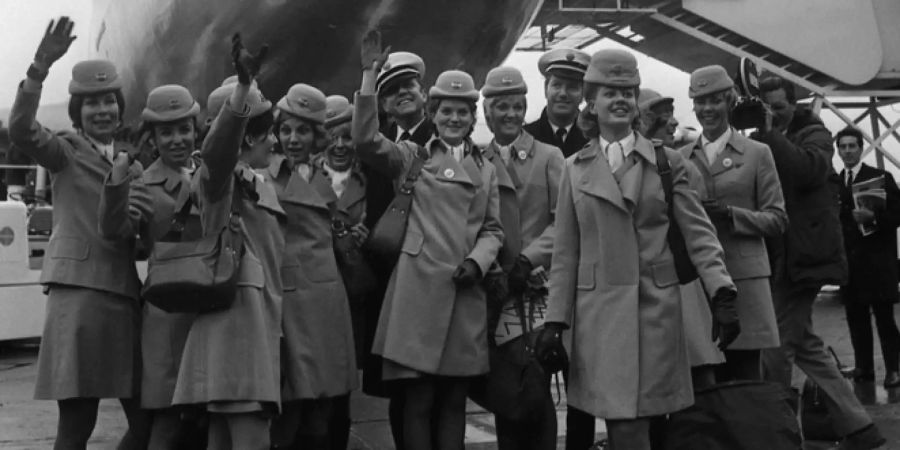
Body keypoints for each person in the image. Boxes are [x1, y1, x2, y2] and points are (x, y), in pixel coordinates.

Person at [536, 48, 738, 450]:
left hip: (655, 311)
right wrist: (554, 321)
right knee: (625, 426)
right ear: (591, 103)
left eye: (628, 91)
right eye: (610, 92)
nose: (621, 100)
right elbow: (565, 253)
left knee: (642, 425)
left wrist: (722, 291)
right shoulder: (573, 169)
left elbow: (698, 234)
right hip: (598, 318)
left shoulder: (668, 163)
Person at [355, 31, 503, 450]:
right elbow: (365, 140)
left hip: (464, 291)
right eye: (447, 111)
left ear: (471, 117)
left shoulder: (485, 167)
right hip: (416, 293)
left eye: (462, 112)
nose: (454, 119)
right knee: (417, 401)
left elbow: (493, 229)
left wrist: (478, 261)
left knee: (454, 401)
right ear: (433, 113)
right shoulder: (411, 157)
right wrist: (369, 74)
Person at [8, 16, 151, 449]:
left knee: (148, 423)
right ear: (77, 112)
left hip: (124, 297)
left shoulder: (136, 166)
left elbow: (140, 235)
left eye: (109, 100)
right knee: (78, 421)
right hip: (79, 296)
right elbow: (20, 129)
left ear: (120, 107)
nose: (102, 110)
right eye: (91, 103)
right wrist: (40, 65)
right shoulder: (65, 151)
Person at [756, 75, 886, 449]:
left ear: (793, 105)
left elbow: (803, 170)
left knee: (777, 347)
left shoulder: (815, 134)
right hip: (790, 255)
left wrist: (769, 132)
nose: (774, 115)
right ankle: (860, 428)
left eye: (779, 108)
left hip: (804, 258)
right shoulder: (772, 137)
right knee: (807, 346)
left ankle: (777, 432)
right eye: (769, 108)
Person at [170, 35, 286, 449]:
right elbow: (218, 152)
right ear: (250, 138)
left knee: (222, 441)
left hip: (253, 332)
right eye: (269, 133)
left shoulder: (260, 184)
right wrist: (242, 90)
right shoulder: (218, 181)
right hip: (238, 335)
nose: (275, 142)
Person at [100, 84, 207, 449]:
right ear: (153, 137)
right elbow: (117, 233)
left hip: (211, 308)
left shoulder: (211, 173)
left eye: (184, 129)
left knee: (208, 418)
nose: (177, 139)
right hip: (167, 316)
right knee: (167, 420)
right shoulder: (143, 185)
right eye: (166, 132)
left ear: (196, 129)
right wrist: (118, 178)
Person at [681, 66, 788, 381]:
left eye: (715, 101)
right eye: (700, 102)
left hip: (745, 282)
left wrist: (731, 215)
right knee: (704, 384)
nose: (707, 109)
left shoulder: (758, 154)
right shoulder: (680, 158)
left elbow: (778, 219)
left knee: (745, 383)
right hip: (701, 282)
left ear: (730, 102)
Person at [265, 83, 358, 449]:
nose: (292, 138)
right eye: (285, 129)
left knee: (322, 410)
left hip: (326, 301)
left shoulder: (327, 175)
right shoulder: (265, 176)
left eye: (302, 129)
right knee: (289, 411)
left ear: (317, 134)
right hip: (288, 300)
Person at [479, 66, 565, 450]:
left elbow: (563, 221)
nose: (511, 115)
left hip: (537, 289)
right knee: (504, 388)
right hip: (495, 291)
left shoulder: (549, 156)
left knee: (536, 382)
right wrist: (494, 268)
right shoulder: (478, 160)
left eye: (517, 106)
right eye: (502, 108)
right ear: (487, 114)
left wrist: (529, 260)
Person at [364, 50, 436, 449]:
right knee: (398, 391)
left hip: (427, 280)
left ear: (423, 92)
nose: (402, 94)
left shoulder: (441, 140)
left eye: (408, 86)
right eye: (391, 91)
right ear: (384, 106)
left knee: (433, 391)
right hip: (387, 281)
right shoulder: (380, 149)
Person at [835, 126, 900, 388]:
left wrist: (874, 217)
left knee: (884, 319)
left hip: (878, 264)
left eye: (852, 146)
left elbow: (898, 215)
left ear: (861, 148)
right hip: (850, 265)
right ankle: (864, 367)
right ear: (838, 150)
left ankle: (894, 369)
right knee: (856, 318)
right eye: (843, 146)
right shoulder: (836, 182)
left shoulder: (881, 178)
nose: (848, 151)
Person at [524, 48, 590, 158]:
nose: (563, 93)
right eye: (557, 85)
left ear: (583, 94)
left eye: (572, 87)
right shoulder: (524, 138)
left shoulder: (594, 139)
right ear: (546, 89)